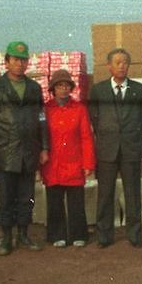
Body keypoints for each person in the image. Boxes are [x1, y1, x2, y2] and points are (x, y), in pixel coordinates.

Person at [0, 41, 48, 256]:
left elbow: (41, 118)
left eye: (23, 60)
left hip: (29, 151)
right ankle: (6, 237)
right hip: (6, 150)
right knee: (7, 196)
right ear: (7, 62)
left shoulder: (34, 88)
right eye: (15, 60)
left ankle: (24, 234)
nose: (20, 64)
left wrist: (44, 147)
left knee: (27, 196)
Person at [88, 48, 142, 248]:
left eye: (125, 62)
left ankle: (134, 234)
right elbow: (95, 118)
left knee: (133, 193)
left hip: (130, 148)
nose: (121, 66)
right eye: (117, 62)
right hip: (107, 148)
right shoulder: (98, 90)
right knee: (105, 194)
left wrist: (129, 135)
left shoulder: (138, 89)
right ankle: (104, 235)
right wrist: (109, 134)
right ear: (109, 66)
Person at [41, 69, 95, 248]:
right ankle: (57, 234)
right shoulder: (46, 109)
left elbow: (86, 137)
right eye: (59, 85)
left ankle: (79, 234)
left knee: (76, 201)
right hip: (53, 163)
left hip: (74, 162)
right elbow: (40, 135)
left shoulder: (79, 109)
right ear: (53, 89)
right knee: (55, 201)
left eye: (66, 85)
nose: (63, 89)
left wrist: (88, 163)